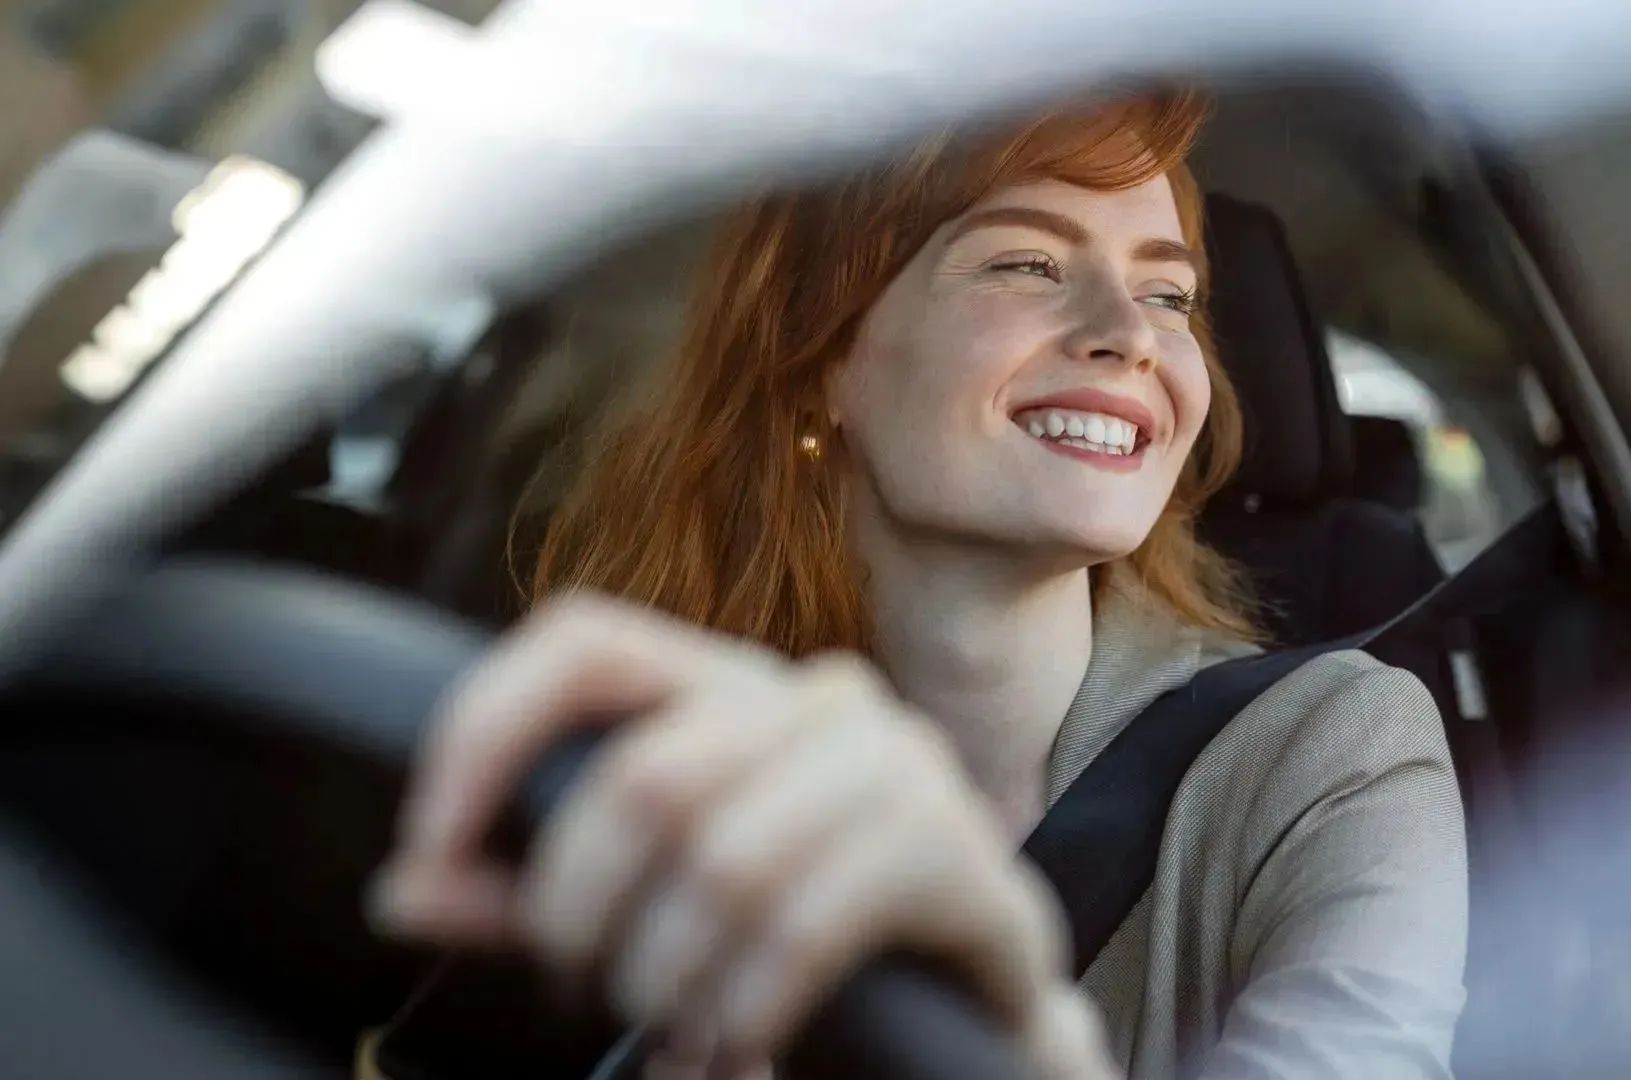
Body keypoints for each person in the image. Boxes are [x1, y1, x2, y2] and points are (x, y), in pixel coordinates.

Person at [368, 88, 1466, 1079]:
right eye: (1026, 263)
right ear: (826, 365)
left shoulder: (1335, 750)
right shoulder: (652, 773)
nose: (1132, 335)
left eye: (1170, 293)